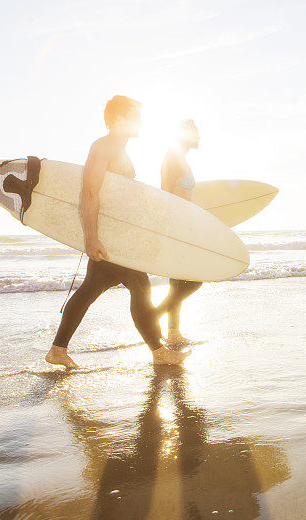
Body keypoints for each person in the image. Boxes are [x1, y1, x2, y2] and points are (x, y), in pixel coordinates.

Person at [45, 95, 189, 369]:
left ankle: (57, 350)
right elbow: (89, 192)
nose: (141, 122)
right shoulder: (104, 147)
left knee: (89, 290)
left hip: (116, 235)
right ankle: (159, 351)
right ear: (120, 119)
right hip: (109, 238)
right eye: (136, 116)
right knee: (140, 285)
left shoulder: (119, 149)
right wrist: (92, 237)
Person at [153, 120, 204, 344]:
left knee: (179, 283)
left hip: (184, 229)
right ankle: (151, 318)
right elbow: (164, 195)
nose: (199, 137)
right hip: (175, 229)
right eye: (196, 134)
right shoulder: (173, 159)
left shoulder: (181, 159)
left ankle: (173, 333)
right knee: (194, 281)